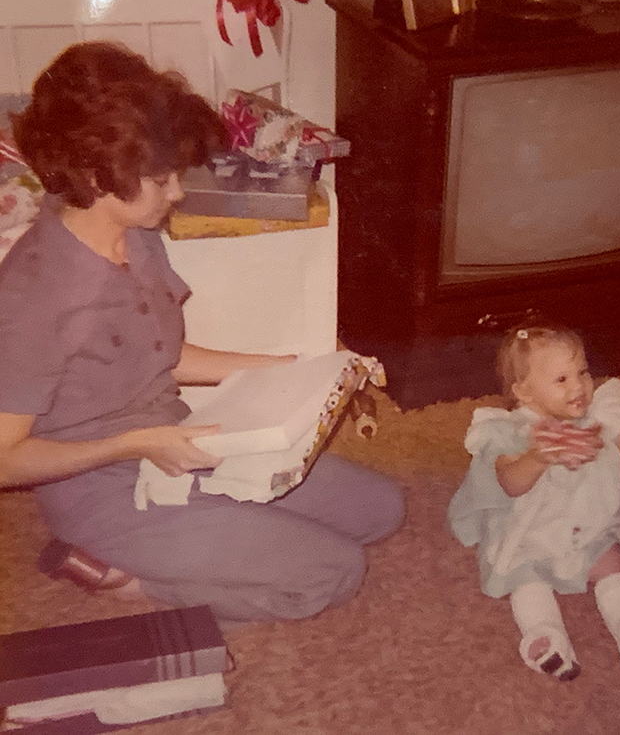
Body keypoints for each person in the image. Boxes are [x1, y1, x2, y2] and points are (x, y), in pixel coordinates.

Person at [0, 41, 404, 624]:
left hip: (183, 443)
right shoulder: (33, 296)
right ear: (97, 173)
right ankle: (133, 583)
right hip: (106, 489)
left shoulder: (134, 233)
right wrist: (131, 445)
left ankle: (209, 533)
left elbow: (160, 355)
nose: (178, 194)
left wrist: (299, 364)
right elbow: (5, 460)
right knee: (334, 572)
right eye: (161, 179)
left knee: (380, 510)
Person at [447, 324, 620, 680]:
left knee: (610, 562)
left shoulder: (600, 417)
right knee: (526, 580)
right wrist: (539, 457)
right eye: (561, 379)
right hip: (529, 532)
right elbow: (510, 483)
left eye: (582, 372)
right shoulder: (508, 431)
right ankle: (544, 634)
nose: (579, 386)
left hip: (586, 524)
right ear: (523, 392)